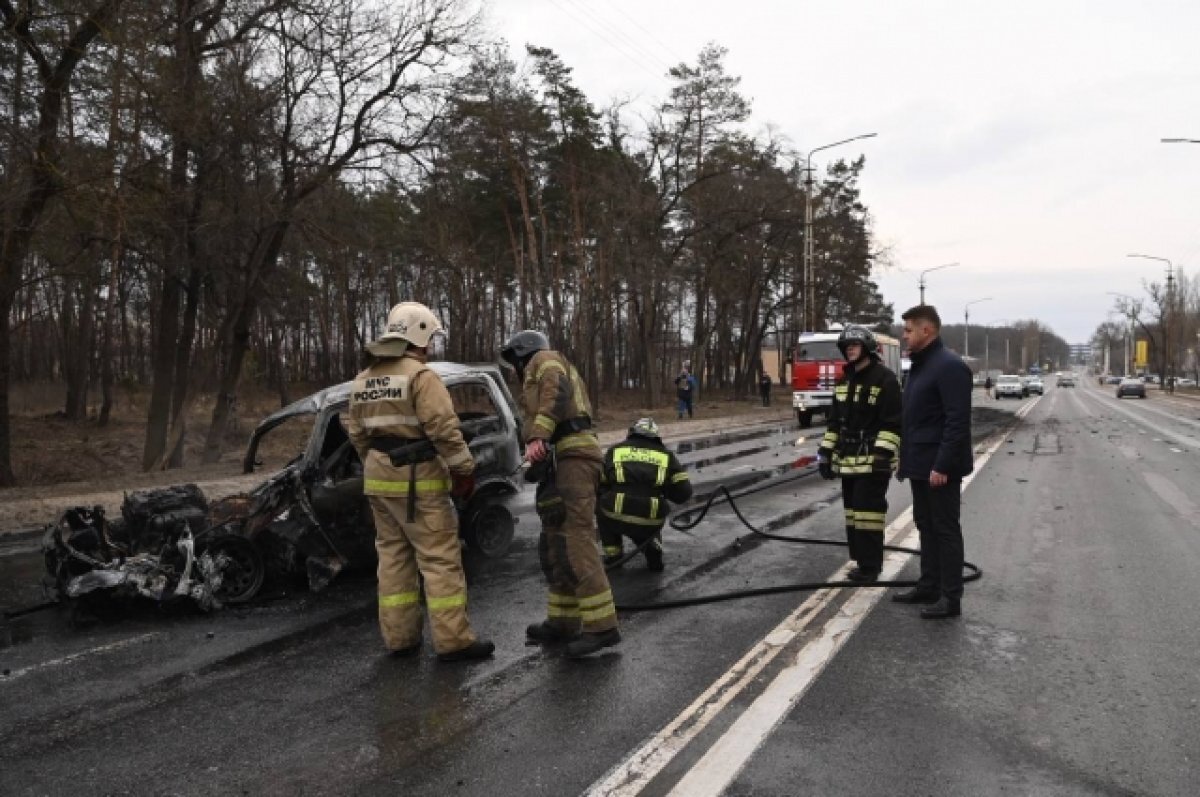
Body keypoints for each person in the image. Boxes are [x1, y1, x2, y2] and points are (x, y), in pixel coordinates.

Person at [345, 302, 494, 661]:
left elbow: (356, 433)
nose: (430, 348)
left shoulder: (364, 379)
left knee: (393, 559)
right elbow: (444, 430)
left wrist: (378, 465)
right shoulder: (421, 377)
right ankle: (453, 641)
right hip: (418, 481)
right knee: (440, 559)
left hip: (378, 480)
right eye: (430, 339)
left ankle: (400, 639)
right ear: (419, 333)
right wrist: (464, 470)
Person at [501, 330, 620, 658]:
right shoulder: (540, 366)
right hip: (562, 460)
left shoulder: (545, 360)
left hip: (574, 459)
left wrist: (539, 434)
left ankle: (602, 627)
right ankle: (563, 621)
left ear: (525, 353)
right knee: (556, 541)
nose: (516, 369)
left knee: (576, 540)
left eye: (516, 362)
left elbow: (556, 388)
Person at [891, 304, 973, 619]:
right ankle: (929, 585)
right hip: (919, 463)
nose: (904, 335)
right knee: (925, 525)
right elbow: (915, 420)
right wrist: (905, 460)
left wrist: (943, 465)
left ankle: (951, 598)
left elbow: (956, 422)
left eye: (909, 329)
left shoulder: (949, 366)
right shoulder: (921, 366)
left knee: (945, 529)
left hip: (938, 468)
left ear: (928, 330)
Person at [816, 326, 902, 583]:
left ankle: (871, 567)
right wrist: (825, 452)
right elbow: (834, 423)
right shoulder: (845, 381)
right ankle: (861, 560)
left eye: (854, 345)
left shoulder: (885, 379)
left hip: (873, 461)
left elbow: (894, 423)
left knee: (869, 515)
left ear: (867, 347)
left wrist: (882, 456)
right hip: (848, 461)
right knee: (854, 514)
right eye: (846, 347)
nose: (850, 349)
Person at [597, 417, 693, 572]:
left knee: (602, 507)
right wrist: (663, 490)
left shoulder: (615, 450)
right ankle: (652, 549)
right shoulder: (666, 456)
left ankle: (613, 555)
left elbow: (599, 485)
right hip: (649, 519)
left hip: (615, 515)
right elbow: (684, 493)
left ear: (632, 433)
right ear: (656, 436)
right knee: (648, 518)